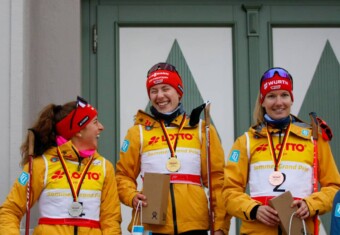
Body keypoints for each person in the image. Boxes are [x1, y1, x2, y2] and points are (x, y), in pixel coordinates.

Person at [116, 62, 230, 234]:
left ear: (179, 91)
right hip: (151, 225)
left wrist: (220, 225)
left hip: (194, 226)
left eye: (165, 88)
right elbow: (122, 176)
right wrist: (131, 196)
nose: (159, 96)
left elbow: (218, 182)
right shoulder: (137, 132)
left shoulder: (202, 130)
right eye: (153, 91)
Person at [222, 67, 340, 234]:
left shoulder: (314, 139)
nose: (279, 102)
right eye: (271, 96)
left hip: (300, 229)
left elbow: (334, 188)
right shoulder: (246, 141)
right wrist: (254, 209)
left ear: (292, 99)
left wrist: (311, 204)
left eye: (284, 95)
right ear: (262, 101)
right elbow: (229, 192)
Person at [0, 96, 122, 235]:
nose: (101, 127)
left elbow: (111, 220)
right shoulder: (41, 164)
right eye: (95, 122)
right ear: (78, 131)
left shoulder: (104, 167)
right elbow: (10, 211)